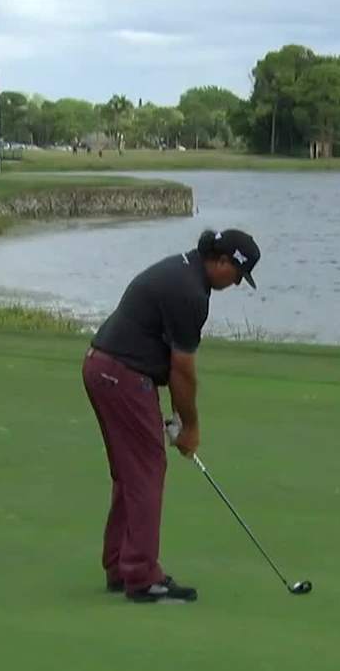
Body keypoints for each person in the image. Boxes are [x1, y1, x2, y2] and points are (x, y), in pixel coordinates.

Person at [81, 228, 261, 603]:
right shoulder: (190, 293)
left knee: (131, 473)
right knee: (147, 470)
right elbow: (182, 371)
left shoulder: (184, 271)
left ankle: (120, 565)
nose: (237, 284)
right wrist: (190, 427)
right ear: (223, 261)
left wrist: (175, 416)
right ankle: (143, 577)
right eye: (238, 276)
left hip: (105, 368)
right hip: (122, 374)